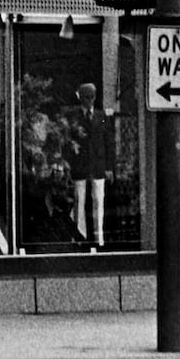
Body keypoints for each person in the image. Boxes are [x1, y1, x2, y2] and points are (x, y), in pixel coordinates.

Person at [70, 83, 113, 249]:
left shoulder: (101, 116)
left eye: (92, 97)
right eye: (86, 97)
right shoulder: (74, 117)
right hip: (80, 165)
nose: (89, 100)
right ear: (80, 97)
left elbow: (109, 142)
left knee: (98, 201)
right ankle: (80, 235)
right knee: (79, 199)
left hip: (98, 164)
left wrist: (109, 167)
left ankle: (98, 238)